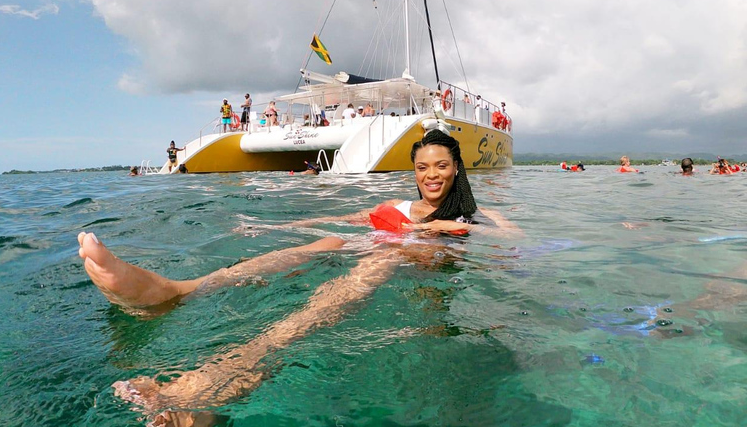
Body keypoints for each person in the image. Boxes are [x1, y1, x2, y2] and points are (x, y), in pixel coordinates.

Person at [77, 130, 520, 422]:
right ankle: (173, 291)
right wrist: (277, 228)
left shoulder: (480, 214)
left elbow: (520, 249)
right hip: (375, 243)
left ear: (456, 167)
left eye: (440, 166)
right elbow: (346, 217)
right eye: (422, 168)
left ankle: (201, 392)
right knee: (318, 245)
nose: (431, 176)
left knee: (310, 315)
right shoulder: (401, 208)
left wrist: (445, 230)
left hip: (404, 259)